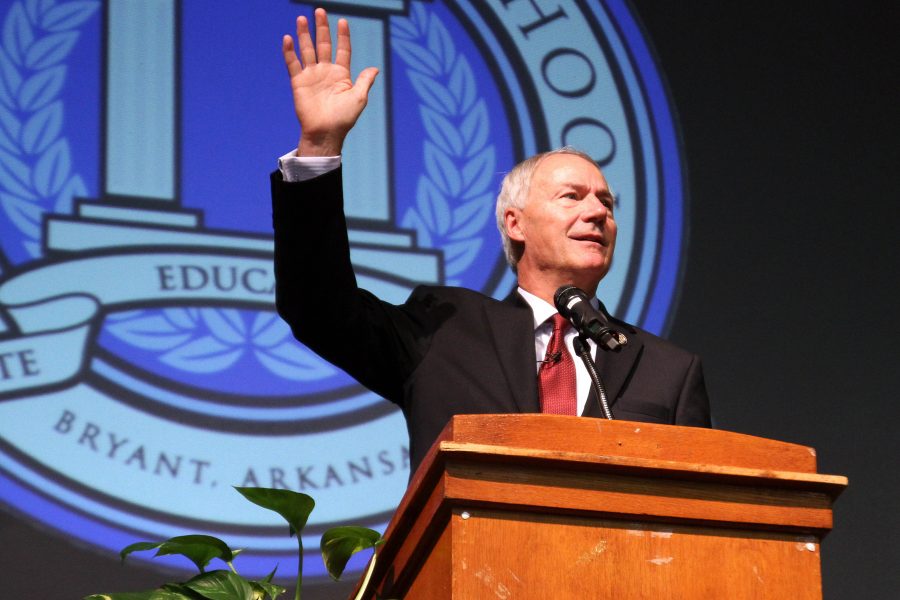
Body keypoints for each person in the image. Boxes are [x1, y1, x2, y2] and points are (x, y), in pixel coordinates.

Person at [272, 9, 710, 474]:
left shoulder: (667, 370)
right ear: (515, 223)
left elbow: (702, 510)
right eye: (572, 197)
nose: (598, 211)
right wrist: (319, 148)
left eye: (606, 202)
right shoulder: (444, 332)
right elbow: (318, 308)